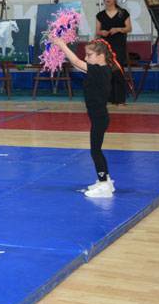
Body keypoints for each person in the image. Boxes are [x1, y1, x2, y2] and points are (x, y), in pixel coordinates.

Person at [51, 37, 120, 198]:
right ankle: (106, 180)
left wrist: (62, 45)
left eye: (89, 55)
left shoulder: (100, 71)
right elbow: (77, 64)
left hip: (99, 117)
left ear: (101, 55)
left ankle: (104, 185)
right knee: (96, 150)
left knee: (95, 151)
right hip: (98, 116)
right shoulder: (98, 70)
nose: (86, 58)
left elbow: (75, 60)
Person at [96, 0, 132, 105]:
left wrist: (118, 29)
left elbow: (129, 28)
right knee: (107, 73)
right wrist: (103, 33)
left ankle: (120, 99)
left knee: (118, 71)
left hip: (119, 46)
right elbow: (97, 31)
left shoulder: (123, 13)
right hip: (105, 47)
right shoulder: (100, 15)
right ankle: (109, 98)